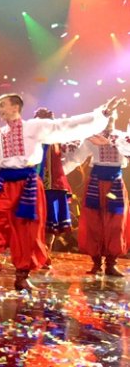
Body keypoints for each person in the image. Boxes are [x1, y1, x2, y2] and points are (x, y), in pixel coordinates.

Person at [0, 94, 121, 291]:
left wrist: (102, 114)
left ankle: (22, 276)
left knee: (27, 231)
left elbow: (66, 125)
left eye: (2, 105)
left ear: (15, 107)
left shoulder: (33, 127)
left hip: (28, 183)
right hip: (3, 183)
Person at [63, 109, 130, 276]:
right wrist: (59, 172)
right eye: (105, 117)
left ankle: (111, 263)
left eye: (111, 116)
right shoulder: (91, 138)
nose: (108, 120)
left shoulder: (123, 138)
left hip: (115, 185)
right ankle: (96, 262)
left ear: (116, 118)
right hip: (95, 184)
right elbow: (75, 159)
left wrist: (115, 143)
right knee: (94, 221)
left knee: (116, 223)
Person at [32, 107, 79, 269]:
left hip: (53, 187)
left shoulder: (59, 140)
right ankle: (34, 253)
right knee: (32, 222)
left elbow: (73, 157)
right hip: (32, 186)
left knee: (50, 225)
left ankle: (45, 254)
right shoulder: (29, 140)